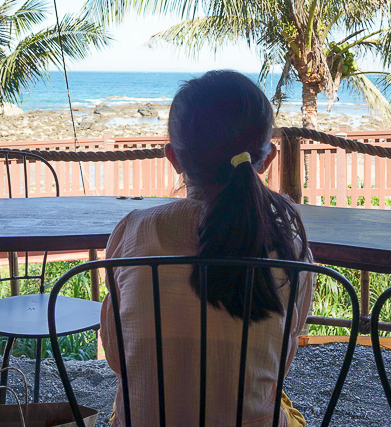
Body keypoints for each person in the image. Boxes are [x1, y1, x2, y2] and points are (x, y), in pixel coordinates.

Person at [101, 70, 314, 427]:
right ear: (267, 157)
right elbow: (281, 362)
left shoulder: (133, 231)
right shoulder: (289, 240)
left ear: (174, 157)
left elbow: (117, 356)